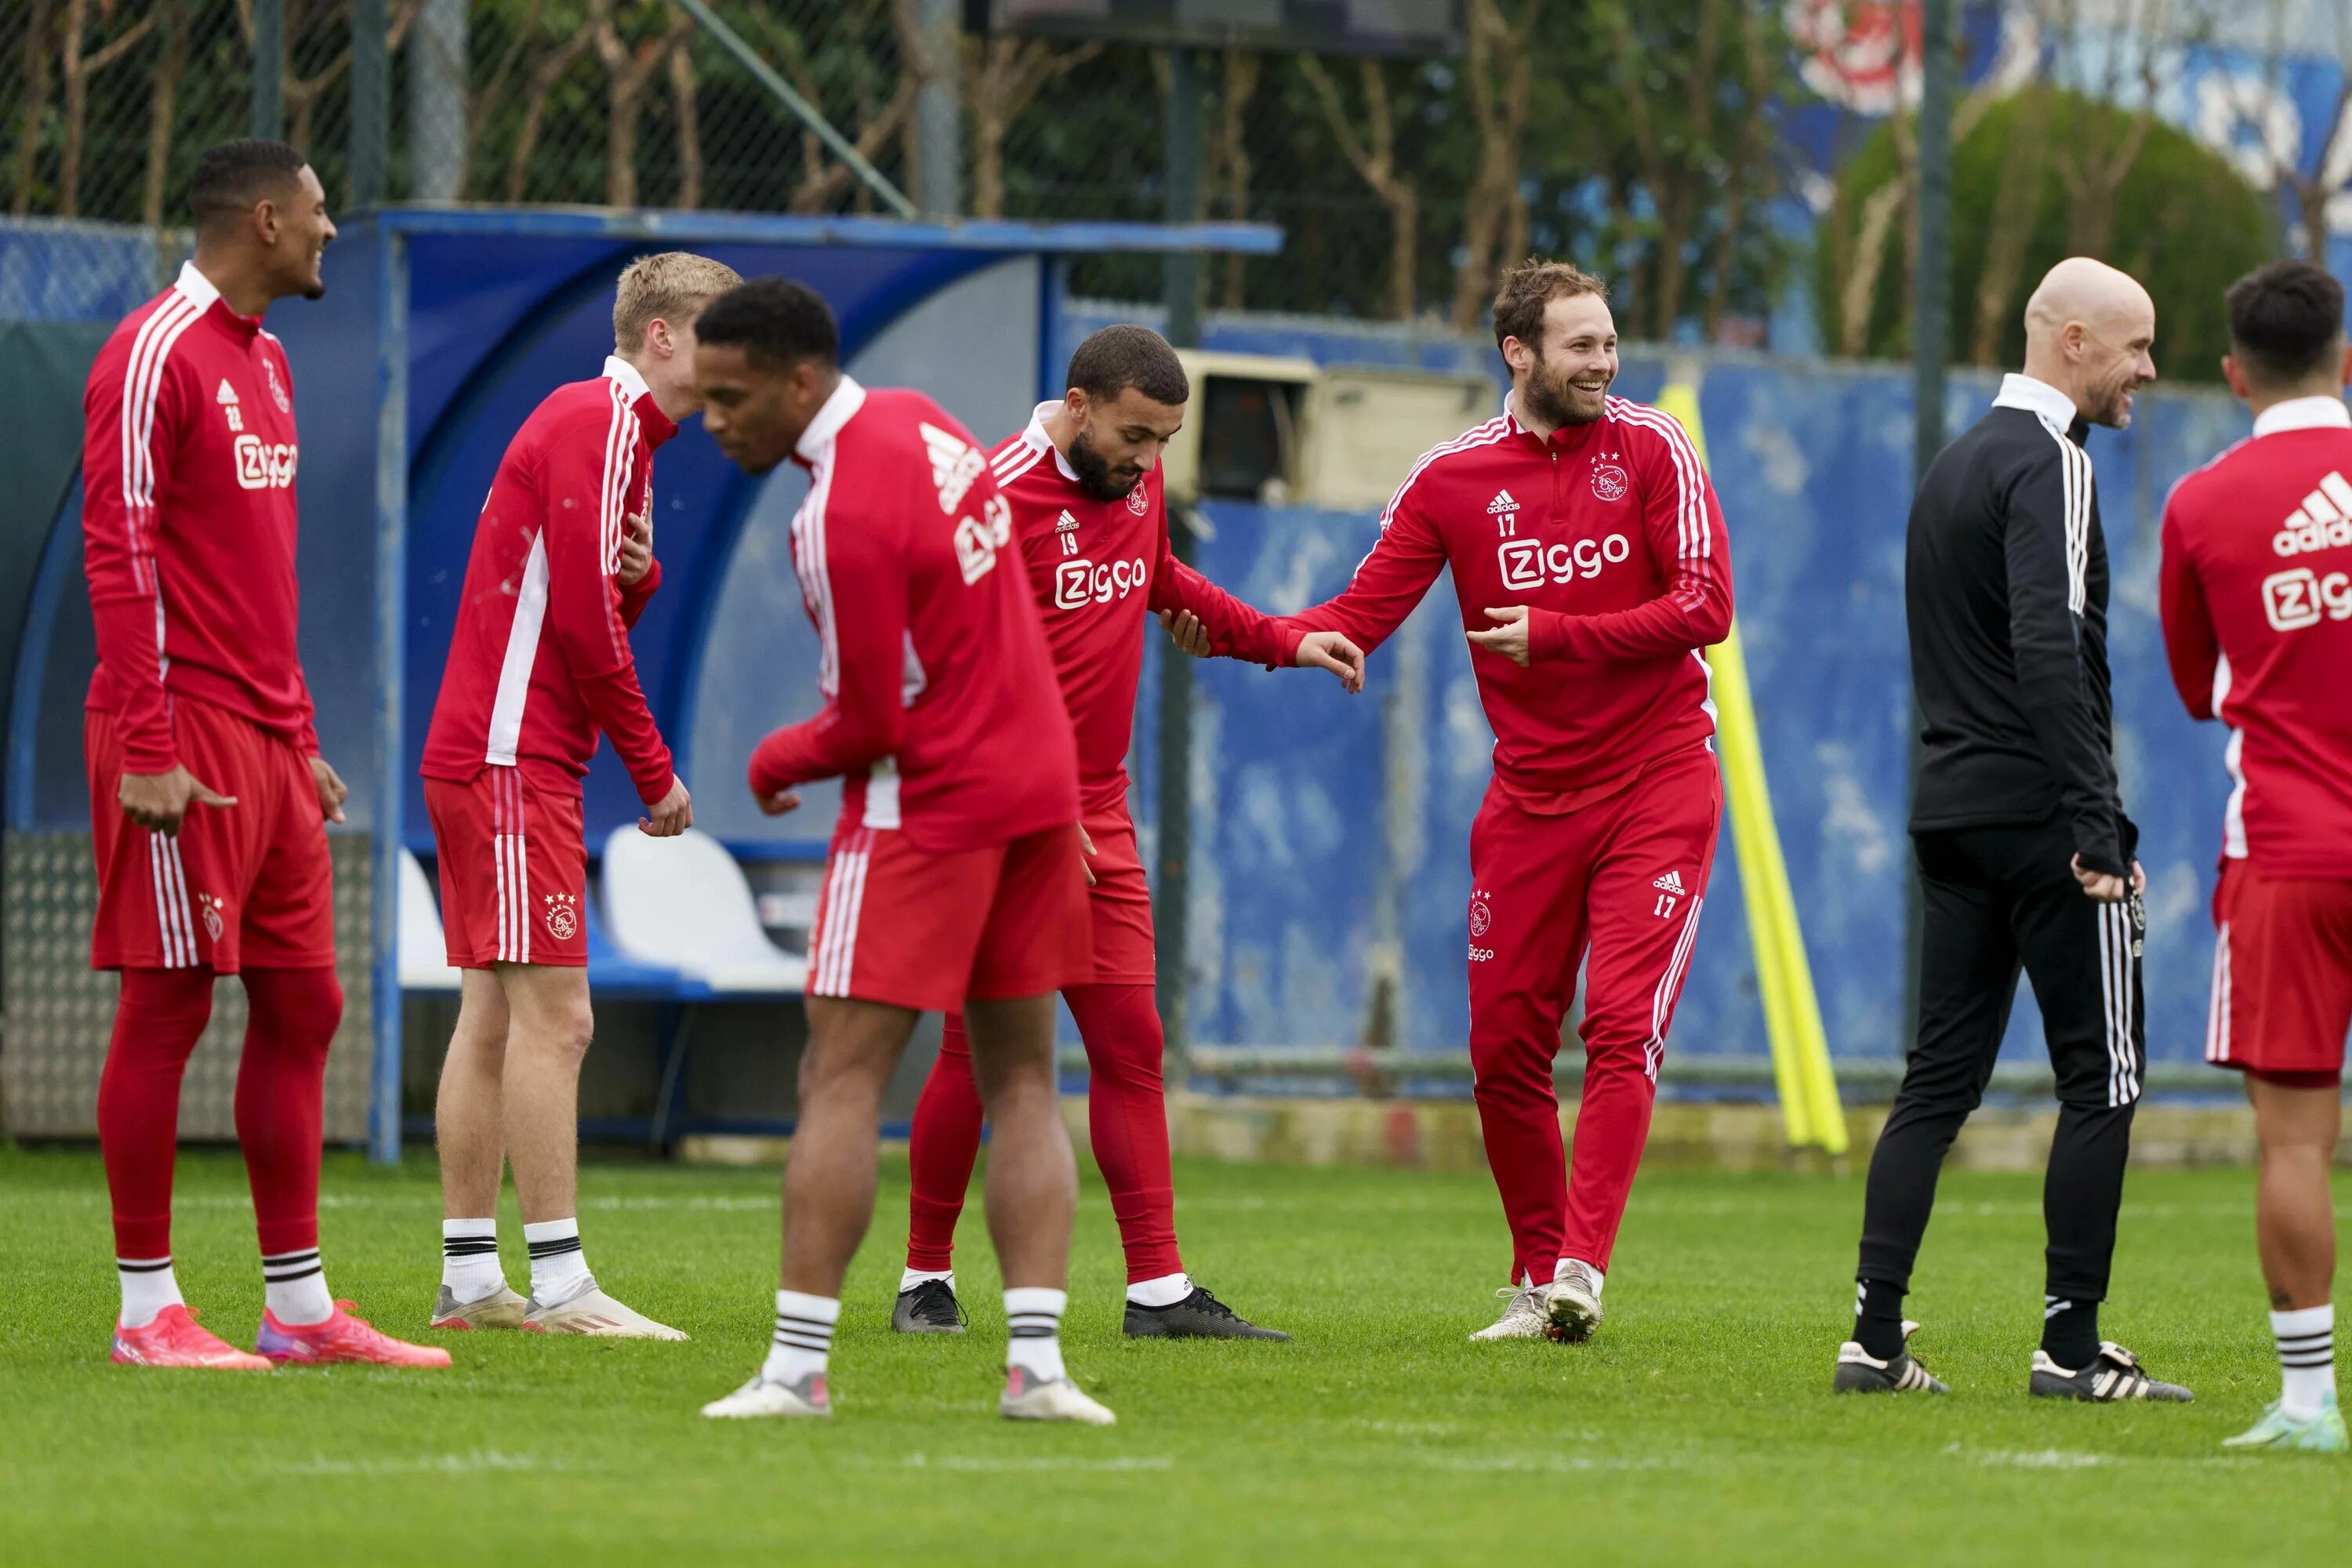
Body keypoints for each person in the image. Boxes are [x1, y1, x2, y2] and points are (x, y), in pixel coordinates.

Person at [1272, 260, 1732, 1344]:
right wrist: (1269, 635)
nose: (1603, 363)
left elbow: (1706, 606)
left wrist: (1558, 634)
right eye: (1581, 346)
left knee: (1622, 1027)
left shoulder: (1655, 444)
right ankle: (1534, 1281)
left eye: (1610, 344)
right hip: (1530, 800)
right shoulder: (1450, 480)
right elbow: (1363, 607)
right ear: (1516, 353)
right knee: (1502, 1053)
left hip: (1659, 777)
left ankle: (1583, 1268)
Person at [690, 278, 1111, 1424]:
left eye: (730, 399)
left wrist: (774, 759)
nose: (713, 419)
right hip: (1039, 786)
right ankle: (1039, 1371)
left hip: (933, 807)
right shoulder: (926, 421)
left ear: (799, 381)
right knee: (1024, 1077)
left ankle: (793, 1371)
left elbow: (871, 724)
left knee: (840, 1074)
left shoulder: (834, 517)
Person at [891, 325, 1363, 1342]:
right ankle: (924, 1282)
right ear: (1078, 403)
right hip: (1002, 808)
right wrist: (1034, 808)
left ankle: (1157, 1290)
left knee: (1130, 1042)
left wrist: (1283, 638)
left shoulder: (1130, 488)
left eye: (1165, 442)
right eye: (1137, 436)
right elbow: (947, 672)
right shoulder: (993, 493)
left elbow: (1162, 582)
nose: (1150, 461)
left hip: (1097, 806)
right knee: (981, 1054)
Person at [79, 139, 444, 1370]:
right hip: (171, 731)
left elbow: (252, 578)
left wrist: (298, 737)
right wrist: (146, 744)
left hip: (265, 741)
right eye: (322, 212)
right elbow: (120, 558)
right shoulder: (150, 355)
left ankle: (296, 1311)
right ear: (266, 220)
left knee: (306, 998)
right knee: (171, 1001)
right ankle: (146, 1316)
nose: (334, 230)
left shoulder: (272, 362)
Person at [1835, 257, 2189, 1403]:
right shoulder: (2054, 464)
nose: (2149, 369)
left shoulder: (1951, 466)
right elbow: (2050, 651)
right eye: (2135, 347)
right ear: (2073, 340)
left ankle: (1874, 1342)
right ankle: (2071, 1351)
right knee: (2105, 1083)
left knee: (1935, 1084)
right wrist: (2099, 825)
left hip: (1949, 814)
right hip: (2047, 822)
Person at [418, 252, 739, 1337]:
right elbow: (581, 632)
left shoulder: (622, 441)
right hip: (510, 760)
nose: (734, 364)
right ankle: (559, 1284)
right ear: (660, 337)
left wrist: (639, 579)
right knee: (559, 1022)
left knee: (496, 1018)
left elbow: (588, 600)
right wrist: (652, 769)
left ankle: (471, 1281)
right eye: (717, 338)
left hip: (500, 754)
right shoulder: (598, 422)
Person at [2160, 258, 2352, 1453]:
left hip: (2287, 852)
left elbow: (2195, 689)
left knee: (2293, 1141)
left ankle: (2308, 1405)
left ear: (2233, 375)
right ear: (2347, 362)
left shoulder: (2200, 503)